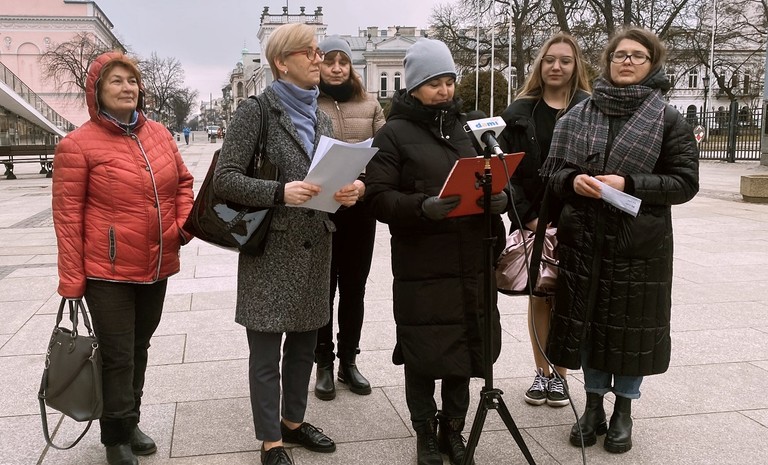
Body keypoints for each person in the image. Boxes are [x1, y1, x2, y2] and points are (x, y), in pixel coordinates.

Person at [541, 26, 699, 453]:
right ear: (608, 61)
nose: (626, 61)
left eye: (637, 56)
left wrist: (629, 182)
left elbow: (685, 183)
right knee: (590, 325)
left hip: (638, 246)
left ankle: (623, 411)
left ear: (652, 64)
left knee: (631, 330)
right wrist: (572, 181)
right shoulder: (578, 113)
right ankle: (592, 406)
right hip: (585, 240)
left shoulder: (668, 119)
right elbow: (553, 174)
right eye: (619, 55)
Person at [212, 23, 360, 465]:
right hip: (270, 250)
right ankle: (270, 441)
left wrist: (348, 190)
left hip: (315, 245)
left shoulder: (321, 116)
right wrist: (279, 192)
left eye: (318, 52)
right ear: (281, 62)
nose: (319, 59)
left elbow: (323, 178)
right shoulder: (255, 111)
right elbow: (225, 179)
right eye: (309, 52)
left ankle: (293, 423)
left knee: (303, 346)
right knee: (265, 352)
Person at [365, 38, 508, 465]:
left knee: (464, 350)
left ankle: (454, 429)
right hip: (423, 264)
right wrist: (421, 207)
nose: (444, 90)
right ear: (413, 87)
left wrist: (501, 198)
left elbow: (496, 174)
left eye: (448, 81)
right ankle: (425, 431)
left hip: (471, 261)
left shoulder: (471, 128)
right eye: (433, 83)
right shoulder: (392, 134)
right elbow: (377, 197)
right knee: (424, 353)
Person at [51, 51, 194, 465]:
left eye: (132, 80)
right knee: (117, 354)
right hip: (107, 272)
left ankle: (130, 421)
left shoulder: (159, 134)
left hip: (156, 265)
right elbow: (67, 218)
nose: (127, 87)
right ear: (97, 92)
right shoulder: (77, 145)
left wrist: (181, 228)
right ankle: (114, 438)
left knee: (139, 347)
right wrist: (71, 281)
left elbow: (183, 184)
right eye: (116, 81)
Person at [498, 33, 591, 408]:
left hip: (578, 221)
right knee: (539, 296)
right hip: (532, 220)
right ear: (540, 64)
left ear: (575, 66)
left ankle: (561, 376)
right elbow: (505, 172)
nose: (556, 66)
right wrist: (528, 216)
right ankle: (542, 372)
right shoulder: (519, 112)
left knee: (567, 299)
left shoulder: (590, 110)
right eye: (550, 59)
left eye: (565, 60)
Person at [312, 35, 385, 401]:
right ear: (319, 64)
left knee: (354, 288)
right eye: (330, 61)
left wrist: (363, 185)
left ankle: (349, 361)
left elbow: (385, 157)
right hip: (320, 210)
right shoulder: (308, 103)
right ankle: (323, 363)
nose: (337, 68)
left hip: (358, 209)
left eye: (343, 62)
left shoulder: (369, 104)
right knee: (323, 289)